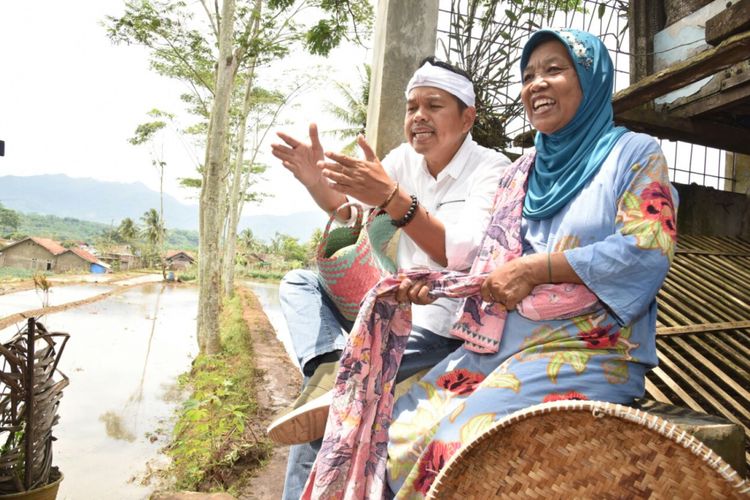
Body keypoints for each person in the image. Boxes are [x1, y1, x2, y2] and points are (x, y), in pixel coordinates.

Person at [301, 28, 678, 499]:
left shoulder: (634, 154)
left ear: (591, 79)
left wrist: (536, 270)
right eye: (528, 75)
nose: (536, 83)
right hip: (502, 345)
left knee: (452, 445)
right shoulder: (523, 171)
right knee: (397, 433)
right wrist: (431, 284)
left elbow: (647, 247)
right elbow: (487, 261)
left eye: (554, 70)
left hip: (588, 350)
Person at [269, 57, 511, 499]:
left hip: (439, 326)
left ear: (467, 117)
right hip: (390, 308)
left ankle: (337, 375)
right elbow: (352, 213)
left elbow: (463, 250)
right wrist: (313, 182)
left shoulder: (492, 169)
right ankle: (328, 360)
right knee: (298, 283)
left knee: (333, 406)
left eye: (433, 106)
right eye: (412, 106)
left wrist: (395, 199)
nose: (418, 117)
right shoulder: (403, 161)